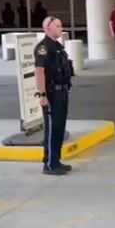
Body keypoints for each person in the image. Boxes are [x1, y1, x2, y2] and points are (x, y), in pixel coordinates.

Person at [34, 17, 74, 175]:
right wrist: (42, 94)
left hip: (62, 92)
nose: (60, 28)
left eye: (60, 25)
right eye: (57, 26)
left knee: (59, 127)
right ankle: (50, 163)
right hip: (51, 93)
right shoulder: (43, 47)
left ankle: (56, 160)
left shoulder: (57, 46)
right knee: (52, 128)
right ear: (47, 28)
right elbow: (39, 71)